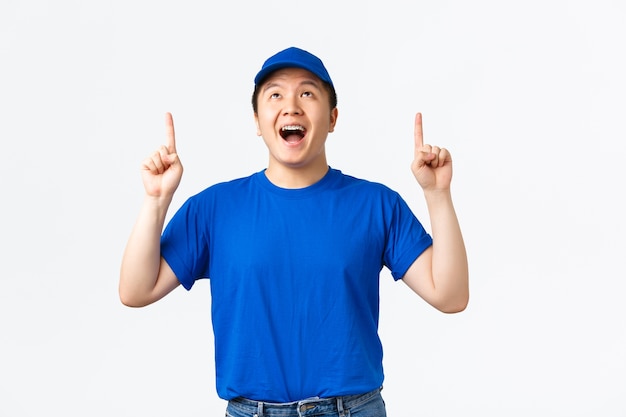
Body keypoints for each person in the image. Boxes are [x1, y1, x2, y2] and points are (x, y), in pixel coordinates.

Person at [119, 46, 468, 417]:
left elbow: (450, 295)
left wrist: (437, 194)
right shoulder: (214, 208)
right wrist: (156, 201)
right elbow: (136, 290)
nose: (291, 106)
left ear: (332, 118)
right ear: (257, 120)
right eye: (275, 95)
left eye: (307, 93)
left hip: (352, 409)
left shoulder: (376, 204)